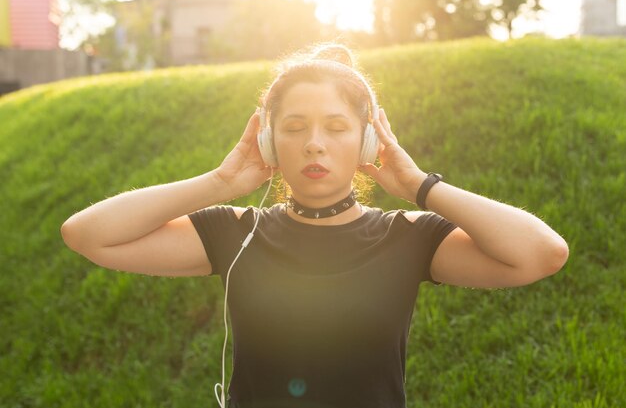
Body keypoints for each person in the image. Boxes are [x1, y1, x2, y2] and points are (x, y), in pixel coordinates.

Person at [61, 42, 569, 408]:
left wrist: (419, 185)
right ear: (269, 143)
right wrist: (219, 183)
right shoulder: (234, 234)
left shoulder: (408, 238)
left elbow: (541, 254)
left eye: (337, 126)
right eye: (294, 127)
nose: (314, 144)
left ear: (368, 142)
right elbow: (87, 235)